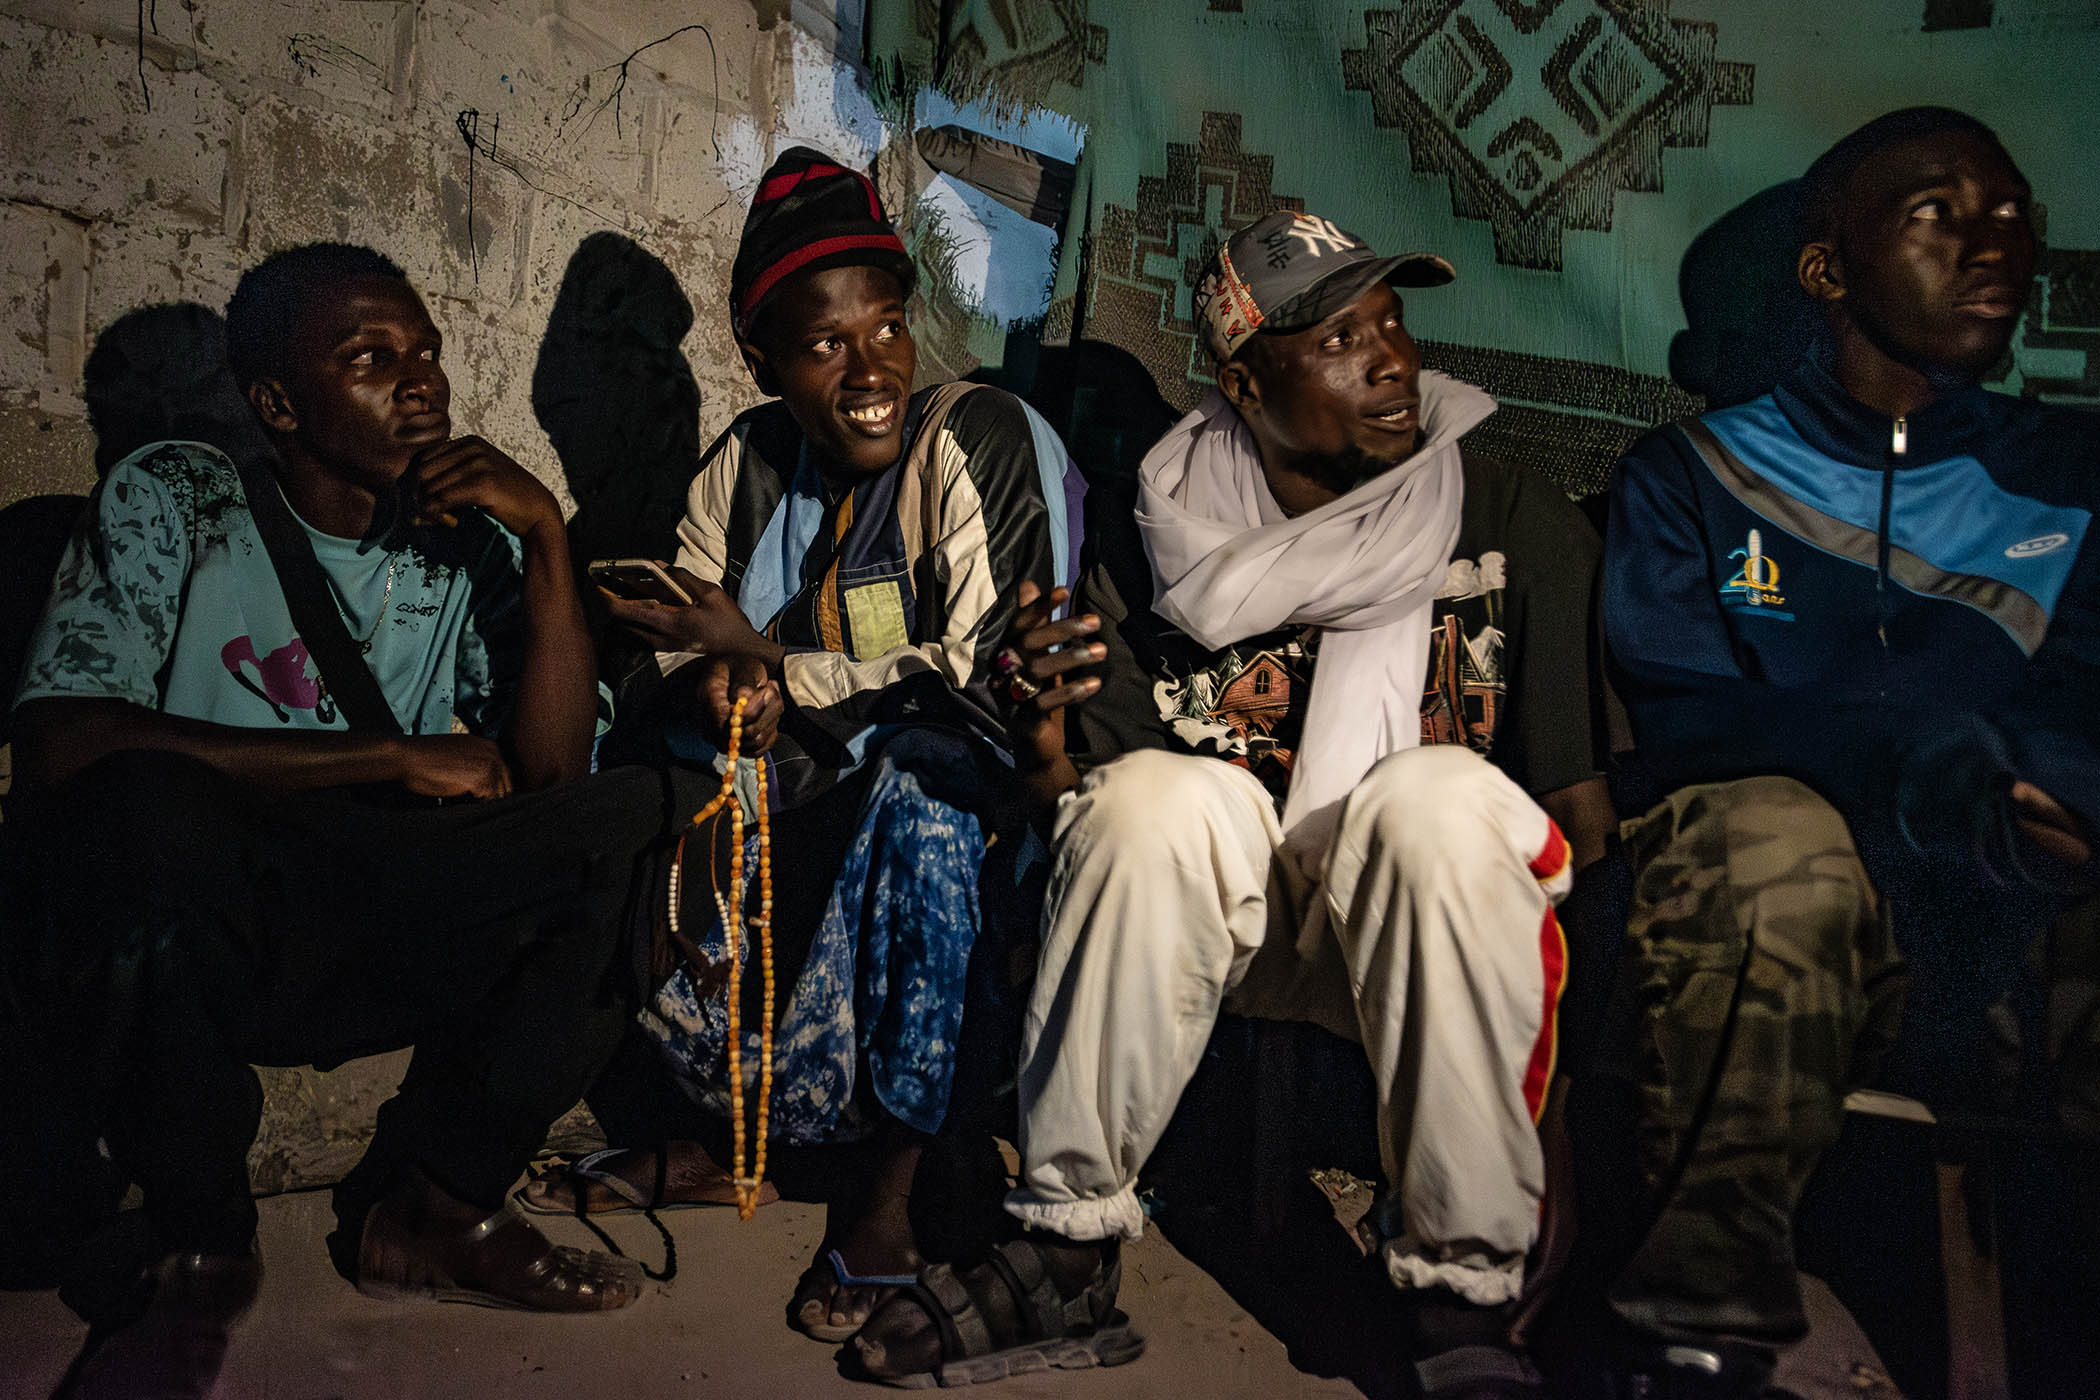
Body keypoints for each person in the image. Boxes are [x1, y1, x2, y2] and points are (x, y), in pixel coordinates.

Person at [851, 209, 1615, 1388]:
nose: (1394, 358)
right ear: (1248, 380)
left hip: (1441, 931)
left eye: (1393, 323)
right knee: (1153, 798)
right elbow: (1094, 833)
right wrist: (1044, 739)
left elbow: (1579, 811)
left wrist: (1562, 1104)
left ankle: (1465, 1292)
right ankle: (1067, 1240)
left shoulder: (1509, 520)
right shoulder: (1154, 542)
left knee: (1439, 801)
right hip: (1243, 928)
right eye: (1340, 337)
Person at [2, 243, 689, 1398]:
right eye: (370, 357)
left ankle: (440, 1209)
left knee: (645, 815)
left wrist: (547, 543)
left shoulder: (467, 546)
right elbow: (63, 743)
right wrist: (388, 752)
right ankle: (200, 1243)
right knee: (144, 808)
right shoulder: (180, 495)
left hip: (385, 908)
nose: (418, 381)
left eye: (424, 352)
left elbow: (551, 779)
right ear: (278, 401)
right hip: (216, 922)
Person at [1578, 108, 2100, 1397]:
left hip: (2018, 921)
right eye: (1941, 213)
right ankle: (1695, 1337)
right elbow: (1692, 723)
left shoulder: (2078, 482)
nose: (1998, 243)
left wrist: (2041, 791)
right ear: (1829, 271)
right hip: (1797, 921)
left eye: (2016, 215)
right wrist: (1936, 771)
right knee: (1769, 846)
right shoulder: (1695, 474)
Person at [538, 147, 1076, 1344]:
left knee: (924, 787)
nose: (873, 367)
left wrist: (778, 666)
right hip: (807, 796)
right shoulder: (746, 460)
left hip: (984, 824)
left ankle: (884, 1188)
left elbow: (994, 675)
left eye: (888, 327)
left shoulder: (976, 434)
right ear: (764, 360)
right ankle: (741, 1138)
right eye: (827, 345)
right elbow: (679, 642)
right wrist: (725, 682)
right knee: (653, 778)